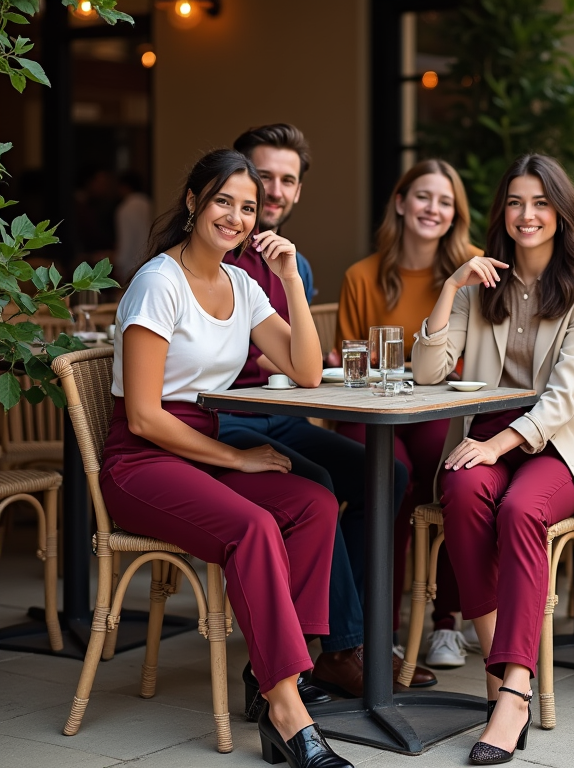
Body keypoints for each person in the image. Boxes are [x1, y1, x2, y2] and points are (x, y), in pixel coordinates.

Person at [103, 148, 353, 767]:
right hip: (141, 460)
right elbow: (143, 415)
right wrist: (235, 461)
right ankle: (289, 712)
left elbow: (305, 371)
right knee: (255, 525)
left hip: (201, 450)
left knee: (314, 504)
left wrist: (291, 279)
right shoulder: (157, 283)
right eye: (223, 201)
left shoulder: (241, 283)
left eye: (247, 207)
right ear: (193, 202)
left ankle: (270, 672)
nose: (237, 217)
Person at [217, 124, 435, 706]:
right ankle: (336, 648)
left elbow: (297, 358)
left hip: (280, 413)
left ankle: (349, 641)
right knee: (313, 484)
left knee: (385, 474)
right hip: (224, 415)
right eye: (263, 176)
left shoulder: (296, 265)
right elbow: (253, 352)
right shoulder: (214, 254)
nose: (274, 190)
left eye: (287, 180)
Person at [413, 154, 574, 764]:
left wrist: (500, 444)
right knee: (464, 490)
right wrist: (450, 287)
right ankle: (506, 669)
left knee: (523, 509)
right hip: (489, 432)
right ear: (502, 210)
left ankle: (514, 688)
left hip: (559, 445)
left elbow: (563, 398)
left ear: (561, 212)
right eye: (517, 202)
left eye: (541, 203)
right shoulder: (481, 283)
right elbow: (428, 375)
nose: (527, 215)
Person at [337, 159, 479, 669]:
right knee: (384, 477)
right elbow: (348, 357)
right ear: (400, 202)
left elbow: (474, 356)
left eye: (445, 201)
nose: (433, 209)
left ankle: (447, 624)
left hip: (439, 405)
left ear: (455, 215)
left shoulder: (473, 270)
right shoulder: (363, 275)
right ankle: (380, 630)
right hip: (376, 409)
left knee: (455, 471)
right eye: (423, 197)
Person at [114, 170, 153, 285]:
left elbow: (126, 241)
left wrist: (118, 265)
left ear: (124, 187)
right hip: (151, 261)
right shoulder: (149, 205)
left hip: (131, 265)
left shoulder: (125, 209)